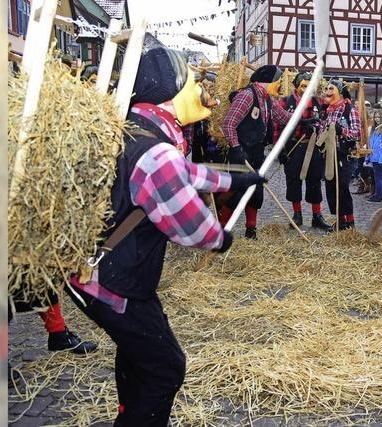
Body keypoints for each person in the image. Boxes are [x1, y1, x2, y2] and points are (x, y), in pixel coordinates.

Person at [65, 37, 266, 426]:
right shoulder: (157, 151)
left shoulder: (138, 127)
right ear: (170, 92)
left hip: (97, 272)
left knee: (140, 353)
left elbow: (184, 174)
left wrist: (233, 180)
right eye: (194, 83)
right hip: (112, 281)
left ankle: (129, 412)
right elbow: (193, 227)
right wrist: (221, 239)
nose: (203, 91)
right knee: (165, 368)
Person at [221, 64, 292, 239]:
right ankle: (222, 230)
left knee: (255, 191)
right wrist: (236, 148)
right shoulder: (246, 96)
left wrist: (302, 121)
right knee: (234, 193)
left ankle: (250, 229)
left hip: (256, 152)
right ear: (268, 81)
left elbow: (283, 117)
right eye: (278, 81)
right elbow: (228, 124)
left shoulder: (267, 99)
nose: (281, 86)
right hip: (241, 152)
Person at [275, 72, 332, 231]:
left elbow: (324, 122)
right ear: (296, 86)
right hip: (293, 147)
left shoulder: (318, 103)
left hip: (313, 146)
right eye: (303, 86)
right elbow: (277, 127)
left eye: (309, 86)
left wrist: (316, 127)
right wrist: (280, 149)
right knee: (293, 180)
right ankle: (297, 214)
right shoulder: (286, 102)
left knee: (314, 181)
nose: (307, 89)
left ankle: (317, 216)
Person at [320, 79, 361, 230]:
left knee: (342, 186)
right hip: (329, 154)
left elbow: (357, 134)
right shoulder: (326, 110)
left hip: (345, 155)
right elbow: (322, 130)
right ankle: (339, 220)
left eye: (331, 88)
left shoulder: (350, 110)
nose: (327, 91)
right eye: (326, 88)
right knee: (331, 187)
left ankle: (350, 221)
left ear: (340, 92)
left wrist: (341, 131)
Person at [366, 110, 382, 202]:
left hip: (379, 158)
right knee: (376, 178)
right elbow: (371, 144)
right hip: (373, 157)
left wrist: (381, 160)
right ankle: (377, 194)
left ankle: (379, 196)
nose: (376, 119)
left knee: (379, 178)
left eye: (378, 117)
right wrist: (368, 157)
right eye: (375, 117)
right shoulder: (374, 130)